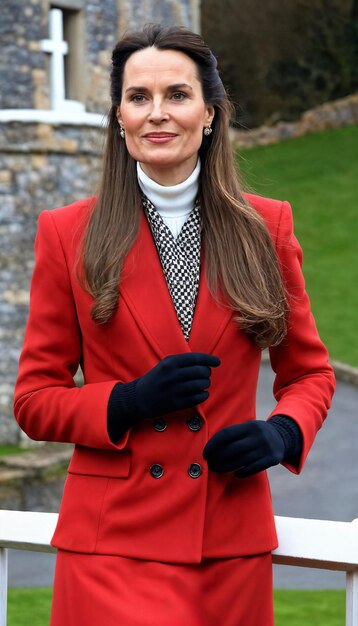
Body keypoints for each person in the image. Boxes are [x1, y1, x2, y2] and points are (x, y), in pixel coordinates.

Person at [14, 23, 335, 626]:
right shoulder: (67, 234)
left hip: (228, 544)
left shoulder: (267, 228)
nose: (157, 114)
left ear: (210, 114)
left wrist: (283, 434)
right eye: (139, 97)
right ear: (118, 116)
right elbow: (34, 401)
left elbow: (311, 374)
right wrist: (125, 401)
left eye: (177, 95)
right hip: (109, 547)